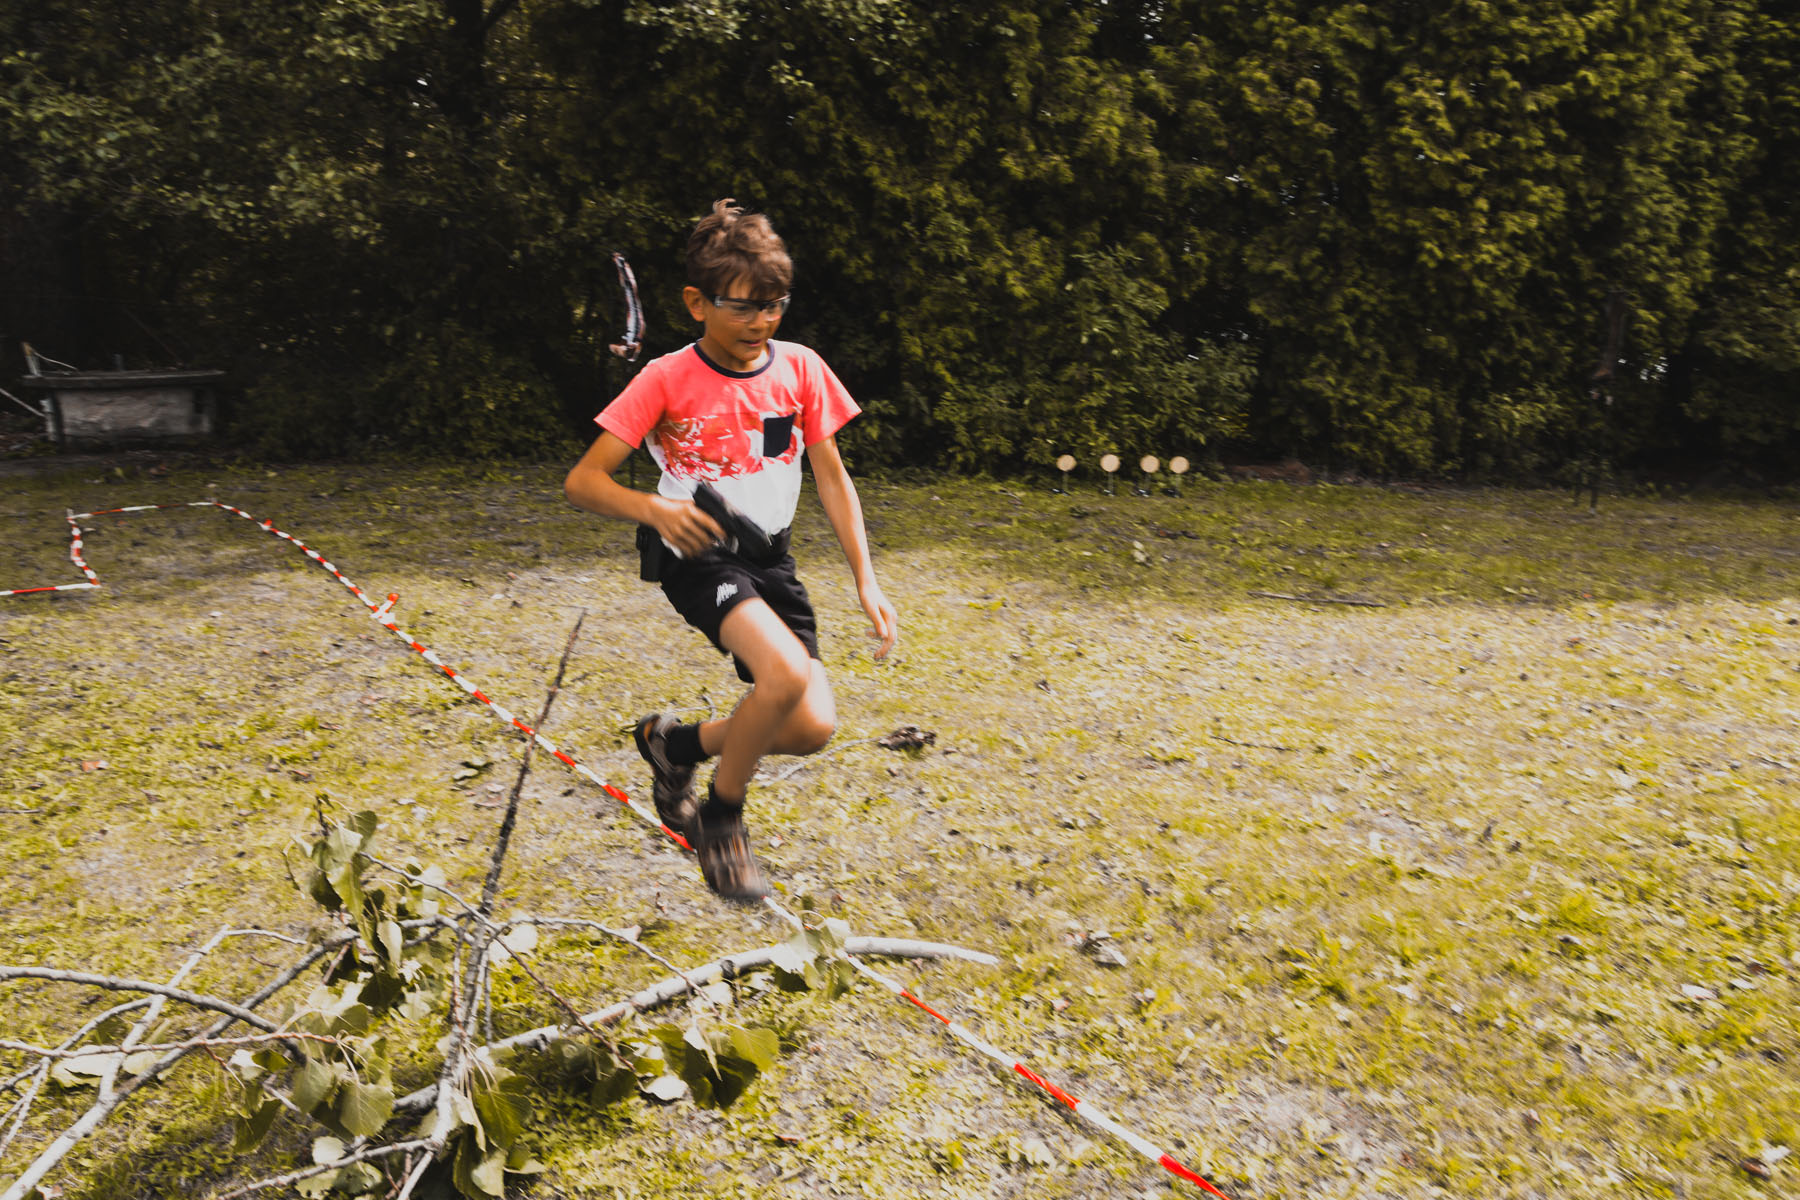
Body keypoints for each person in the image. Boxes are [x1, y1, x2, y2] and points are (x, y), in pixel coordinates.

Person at [564, 198, 898, 902]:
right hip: (699, 554)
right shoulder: (664, 378)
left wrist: (865, 580)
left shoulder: (801, 369)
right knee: (782, 675)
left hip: (771, 560)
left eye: (774, 306)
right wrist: (655, 507)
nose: (761, 322)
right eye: (743, 307)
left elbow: (832, 477)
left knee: (811, 724)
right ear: (697, 303)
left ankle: (674, 745)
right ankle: (721, 821)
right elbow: (583, 481)